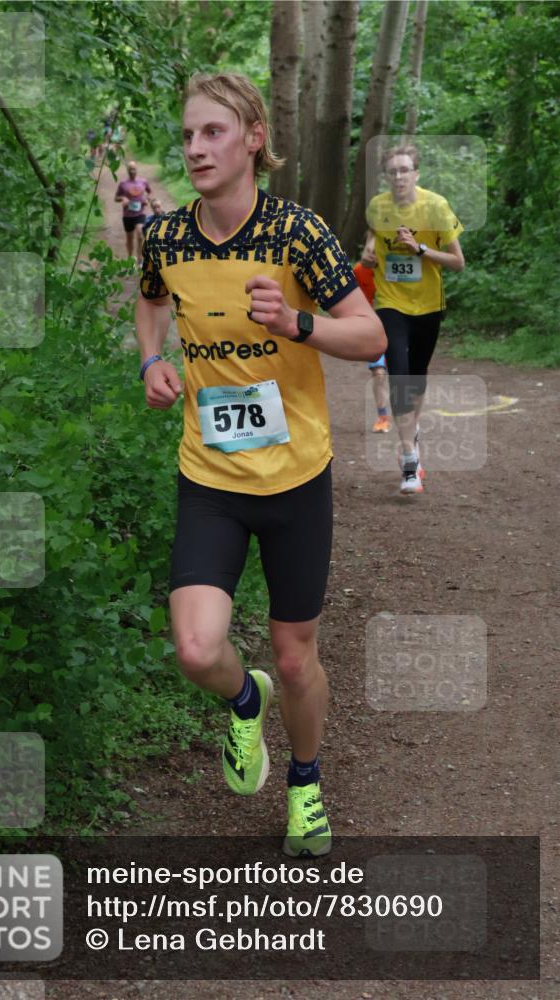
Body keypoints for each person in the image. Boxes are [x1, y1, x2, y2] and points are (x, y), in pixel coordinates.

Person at [136, 72, 385, 857]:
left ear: (250, 139)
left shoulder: (296, 235)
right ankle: (247, 703)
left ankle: (305, 783)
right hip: (210, 477)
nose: (194, 148)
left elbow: (370, 335)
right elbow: (149, 297)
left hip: (296, 479)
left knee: (294, 649)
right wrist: (149, 361)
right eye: (186, 135)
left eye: (211, 132)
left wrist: (297, 321)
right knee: (196, 649)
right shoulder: (167, 237)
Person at [362, 144, 464, 494]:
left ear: (416, 174)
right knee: (400, 377)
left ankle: (411, 431)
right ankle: (409, 459)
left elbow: (457, 262)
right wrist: (370, 249)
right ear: (386, 176)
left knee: (416, 379)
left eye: (405, 170)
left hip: (428, 307)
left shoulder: (435, 206)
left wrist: (420, 249)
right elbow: (375, 232)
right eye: (393, 171)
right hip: (390, 303)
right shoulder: (377, 206)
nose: (399, 176)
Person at [353, 260, 390, 433]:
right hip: (374, 328)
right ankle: (382, 417)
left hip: (400, 326)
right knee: (379, 373)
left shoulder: (400, 261)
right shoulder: (359, 271)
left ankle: (409, 415)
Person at [115, 161, 152, 263]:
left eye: (134, 169)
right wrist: (123, 198)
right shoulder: (123, 184)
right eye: (130, 169)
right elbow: (116, 197)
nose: (132, 171)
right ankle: (130, 259)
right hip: (127, 215)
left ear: (137, 169)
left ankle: (140, 259)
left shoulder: (143, 181)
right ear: (127, 170)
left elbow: (150, 191)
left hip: (140, 213)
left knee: (140, 235)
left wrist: (146, 198)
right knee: (130, 238)